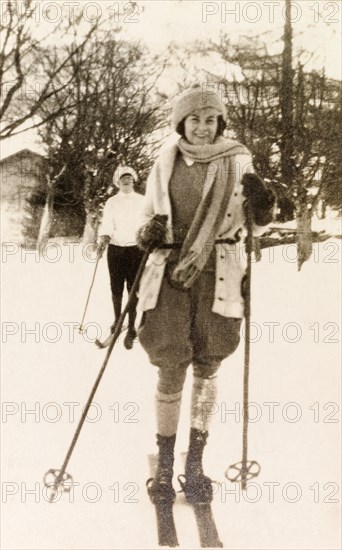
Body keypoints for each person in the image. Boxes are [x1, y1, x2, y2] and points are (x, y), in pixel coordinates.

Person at [136, 85, 275, 505]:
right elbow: (145, 221)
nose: (201, 127)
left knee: (209, 363)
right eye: (193, 119)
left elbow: (258, 225)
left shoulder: (239, 162)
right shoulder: (165, 162)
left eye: (210, 119)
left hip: (220, 271)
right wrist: (149, 233)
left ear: (220, 123)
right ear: (181, 123)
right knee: (171, 362)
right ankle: (164, 465)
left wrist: (263, 204)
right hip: (173, 271)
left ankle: (195, 464)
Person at [97, 165, 144, 350]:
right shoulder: (112, 202)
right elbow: (107, 223)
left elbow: (146, 223)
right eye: (123, 179)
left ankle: (131, 327)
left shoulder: (142, 200)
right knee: (116, 287)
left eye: (130, 179)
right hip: (116, 250)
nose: (126, 182)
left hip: (136, 249)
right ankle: (117, 321)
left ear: (134, 181)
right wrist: (104, 237)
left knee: (133, 289)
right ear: (118, 182)